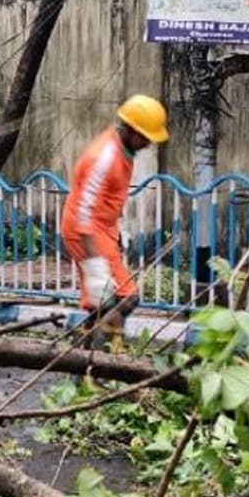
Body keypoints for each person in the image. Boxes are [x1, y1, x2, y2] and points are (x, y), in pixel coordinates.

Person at [60, 95, 169, 353]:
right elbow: (85, 212)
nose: (148, 142)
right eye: (145, 135)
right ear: (130, 129)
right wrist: (95, 267)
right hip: (85, 231)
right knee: (120, 299)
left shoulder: (124, 149)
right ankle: (101, 367)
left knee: (107, 303)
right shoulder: (104, 157)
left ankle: (83, 361)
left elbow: (106, 200)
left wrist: (115, 233)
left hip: (102, 229)